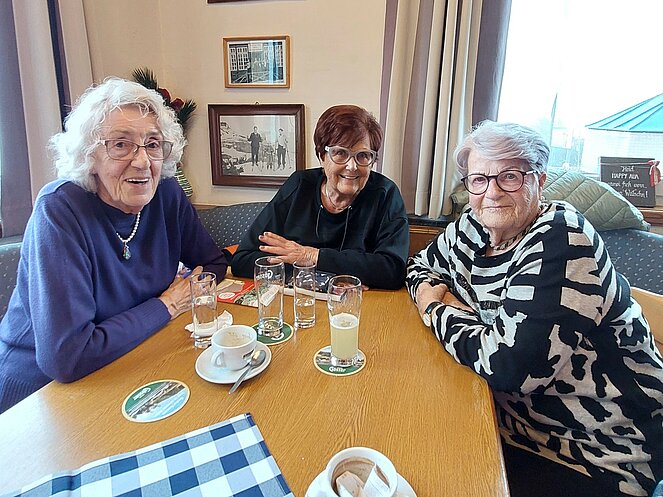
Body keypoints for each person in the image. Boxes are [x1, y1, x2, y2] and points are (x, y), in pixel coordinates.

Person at [406, 121, 663, 497]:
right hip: (510, 424)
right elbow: (419, 267)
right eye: (479, 179)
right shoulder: (474, 225)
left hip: (598, 453)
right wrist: (476, 324)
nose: (492, 192)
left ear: (539, 181)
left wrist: (434, 307)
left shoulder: (562, 239)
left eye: (509, 177)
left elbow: (508, 368)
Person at [0, 78, 227, 414]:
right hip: (41, 395)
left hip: (133, 356)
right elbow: (68, 357)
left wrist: (181, 295)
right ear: (89, 155)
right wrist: (166, 305)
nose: (142, 161)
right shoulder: (60, 210)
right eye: (121, 144)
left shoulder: (166, 194)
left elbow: (212, 264)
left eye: (152, 144)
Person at [231, 105, 409, 290]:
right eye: (340, 153)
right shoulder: (299, 186)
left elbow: (393, 270)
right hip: (300, 298)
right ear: (322, 156)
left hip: (360, 303)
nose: (352, 166)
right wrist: (320, 278)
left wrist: (312, 256)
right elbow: (243, 260)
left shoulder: (385, 194)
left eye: (363, 155)